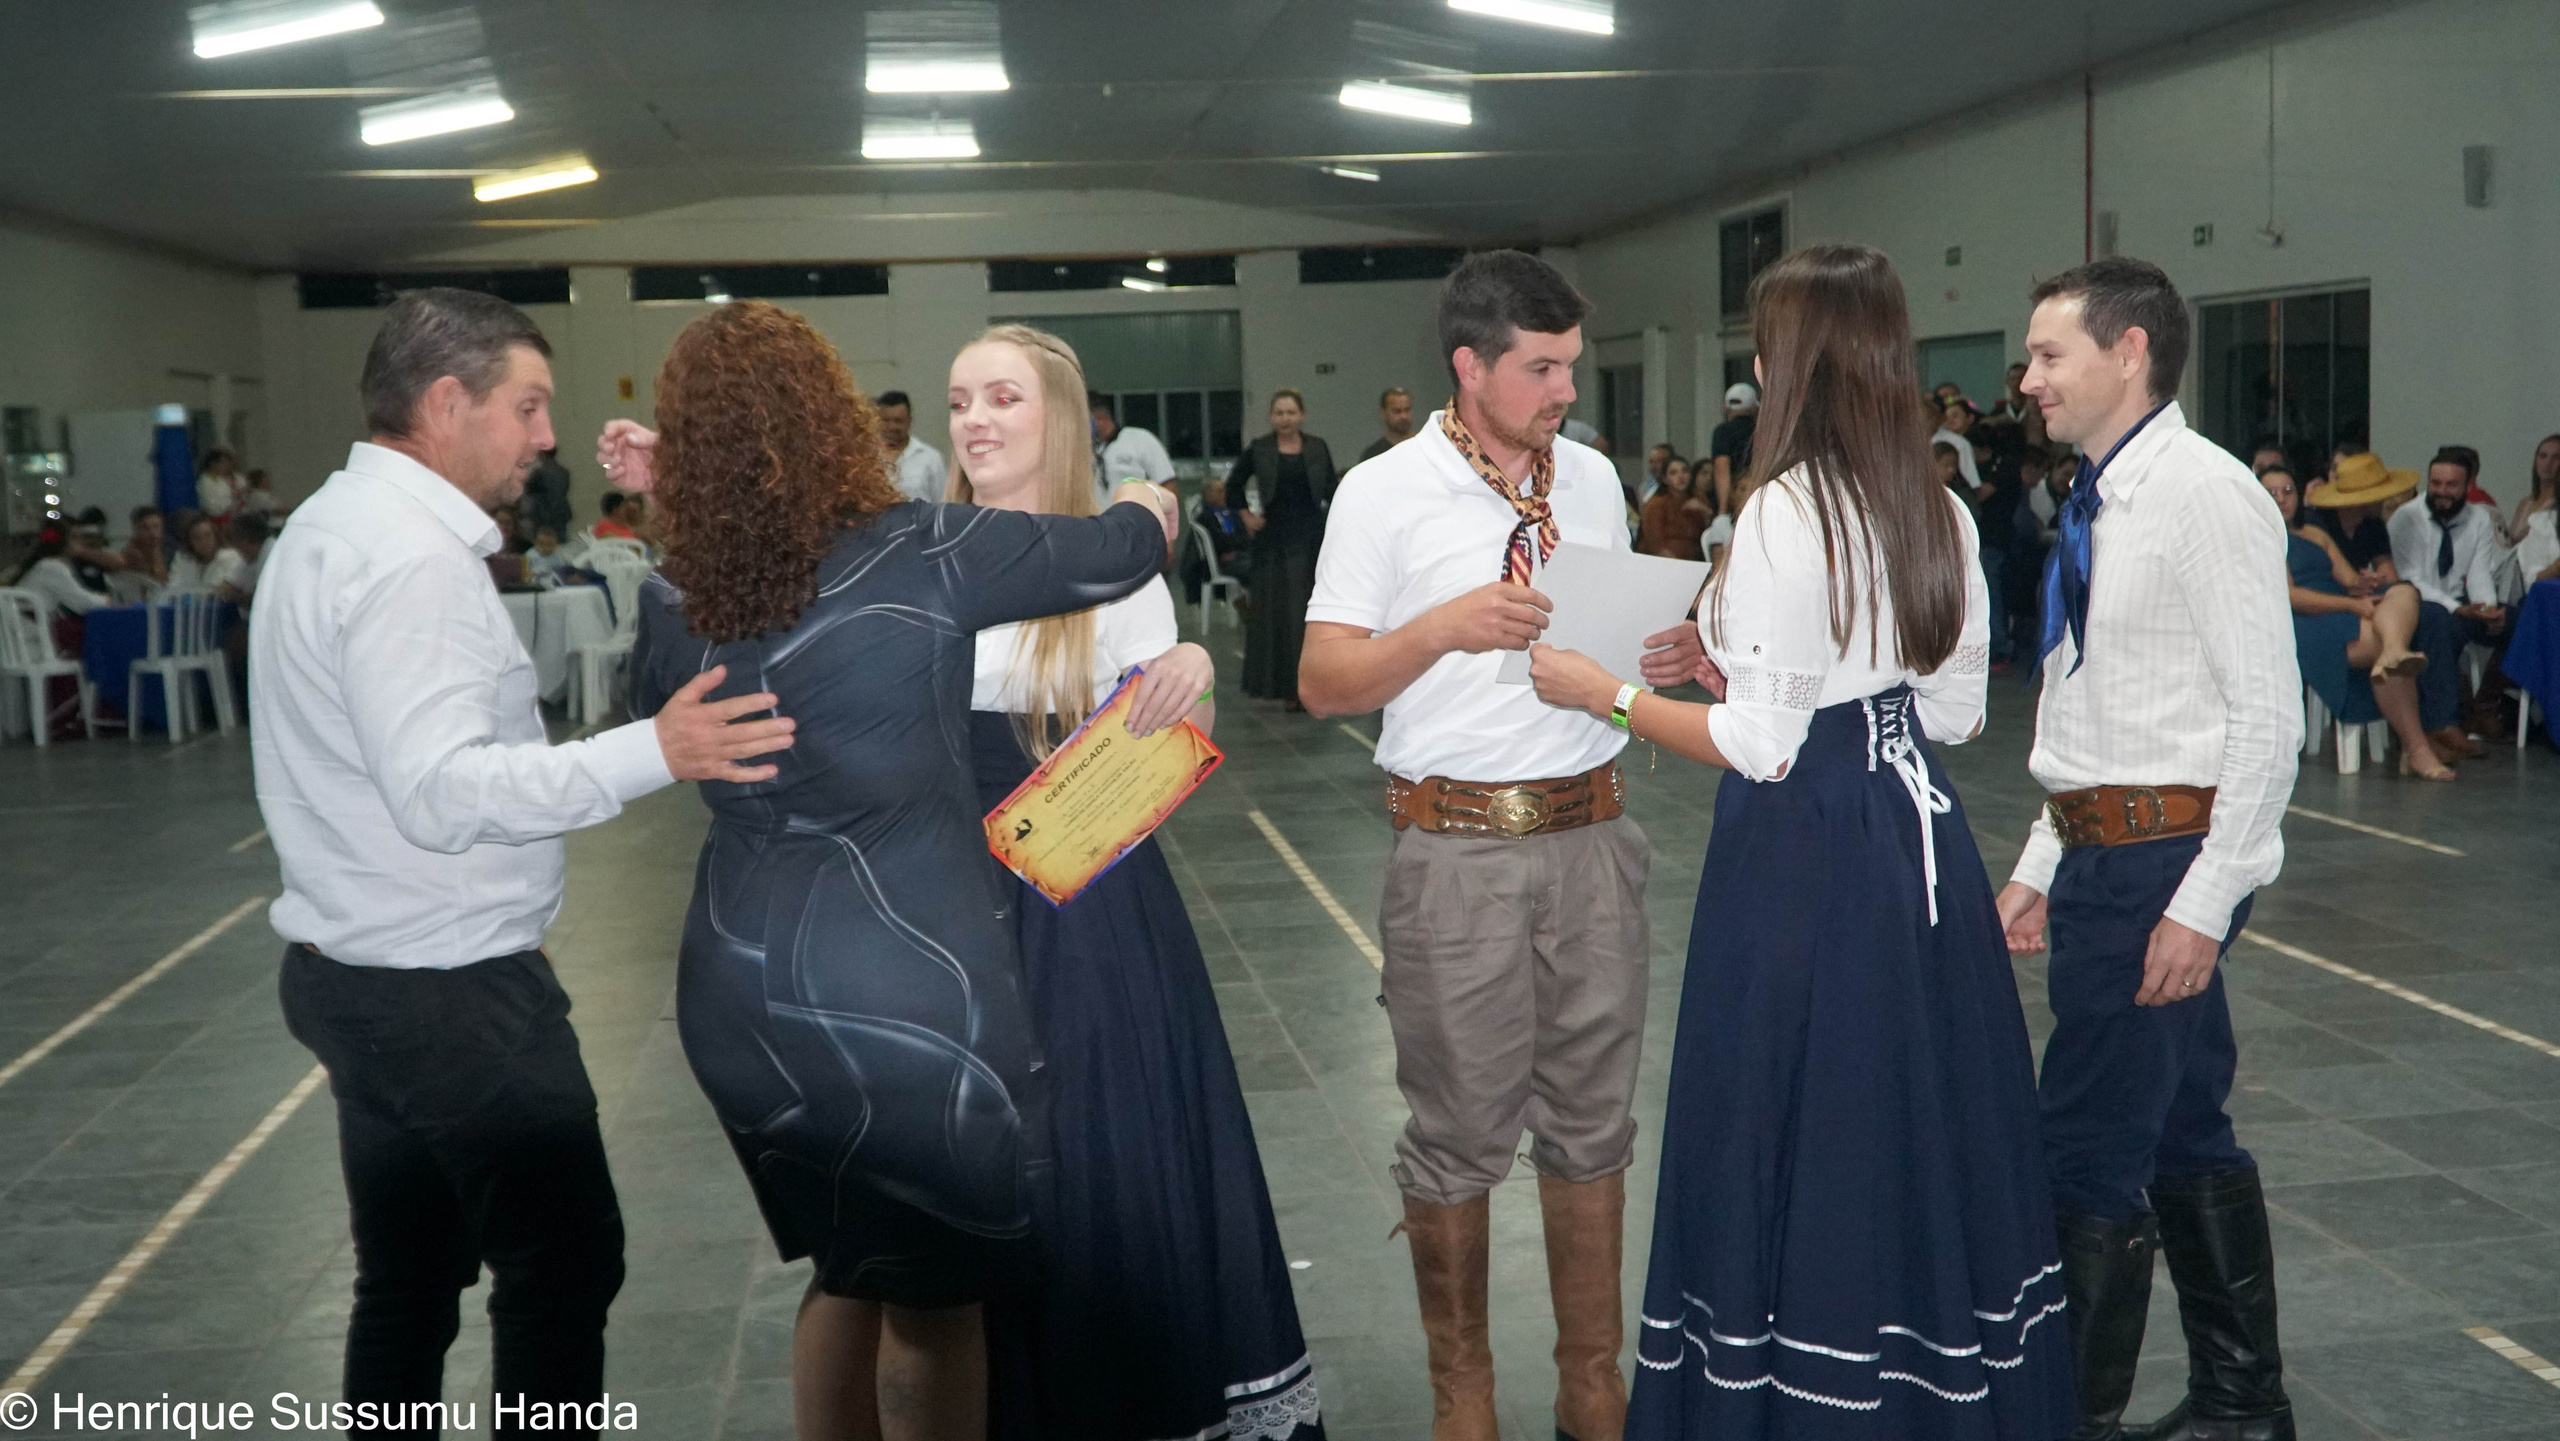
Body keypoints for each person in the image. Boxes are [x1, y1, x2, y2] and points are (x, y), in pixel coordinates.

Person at [1527, 241, 2074, 1441]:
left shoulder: (1783, 507)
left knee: (1798, 1115)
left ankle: (1797, 1397)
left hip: (1805, 850)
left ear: (1796, 361)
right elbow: (1952, 712)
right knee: (1912, 1117)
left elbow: (1766, 746)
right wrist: (1730, 668)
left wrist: (1600, 693)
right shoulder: (1933, 502)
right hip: (1911, 831)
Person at [610, 305, 1178, 1440]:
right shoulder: (925, 548)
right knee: (934, 1305)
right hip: (903, 986)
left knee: (846, 1268)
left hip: (743, 989)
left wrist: (683, 485)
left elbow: (666, 692)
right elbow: (1118, 549)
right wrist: (1153, 502)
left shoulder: (673, 603)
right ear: (834, 420)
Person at [249, 288, 795, 1438]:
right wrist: (655, 748)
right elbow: (445, 793)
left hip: (358, 974)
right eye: (529, 405)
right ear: (447, 404)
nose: (548, 436)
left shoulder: (332, 523)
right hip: (450, 998)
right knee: (562, 1270)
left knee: (407, 1277)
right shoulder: (411, 564)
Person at [1298, 249, 1704, 1441]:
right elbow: (1323, 681)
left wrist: (1661, 657)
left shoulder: (1586, 479)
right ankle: (1461, 1393)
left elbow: (1620, 650)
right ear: (1468, 365)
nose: (1563, 390)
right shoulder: (1382, 492)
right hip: (1457, 853)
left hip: (1592, 837)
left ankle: (1591, 1379)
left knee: (1594, 1119)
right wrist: (1441, 628)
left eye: (1570, 366)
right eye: (1539, 368)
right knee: (1459, 1130)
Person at [928, 325, 1326, 1441]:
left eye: (1003, 396)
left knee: (1104, 1160)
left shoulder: (1107, 562)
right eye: (960, 401)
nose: (976, 420)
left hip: (1089, 914)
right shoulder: (918, 551)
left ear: (1058, 417)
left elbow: (1170, 748)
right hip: (945, 914)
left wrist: (1190, 677)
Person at [1992, 258, 2303, 1441]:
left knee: (2076, 1148)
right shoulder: (2097, 495)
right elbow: (2091, 707)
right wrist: (2038, 860)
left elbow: (2266, 718)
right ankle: (2241, 1403)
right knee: (2180, 1125)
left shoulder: (2202, 494)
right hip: (2106, 853)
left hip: (2165, 863)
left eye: (2047, 355)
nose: (2027, 380)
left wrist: (2205, 898)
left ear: (2129, 353)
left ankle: (2062, 1420)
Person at [2263, 465, 2449, 779]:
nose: (2282, 499)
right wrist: (2351, 603)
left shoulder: (2315, 534)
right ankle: (2417, 748)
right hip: (2306, 621)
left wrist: (2364, 585)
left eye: (2288, 491)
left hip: (2343, 604)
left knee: (2403, 591)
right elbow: (2290, 596)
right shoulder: (2262, 538)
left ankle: (2393, 652)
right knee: (2390, 646)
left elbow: (2348, 578)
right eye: (2272, 493)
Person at [2389, 446, 2507, 758]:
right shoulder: (2407, 518)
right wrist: (2458, 608)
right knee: (2439, 621)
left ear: (2468, 486)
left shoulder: (2479, 518)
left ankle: (2485, 706)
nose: (2441, 491)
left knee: (2519, 621)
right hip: (2417, 605)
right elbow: (2409, 578)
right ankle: (2444, 721)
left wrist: (2487, 607)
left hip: (2460, 605)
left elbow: (2480, 571)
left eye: (2451, 485)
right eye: (2436, 483)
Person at [1234, 388, 1339, 709]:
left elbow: (1333, 491)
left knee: (1308, 614)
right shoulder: (1259, 448)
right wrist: (1247, 517)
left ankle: (1310, 685)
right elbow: (1233, 486)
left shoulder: (1318, 447)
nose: (1285, 418)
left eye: (1290, 413)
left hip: (1311, 540)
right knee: (1277, 615)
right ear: (1270, 417)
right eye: (1279, 413)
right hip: (1273, 543)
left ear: (1302, 416)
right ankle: (1279, 686)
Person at [4, 522, 110, 617]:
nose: (82, 542)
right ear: (66, 543)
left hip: (25, 627)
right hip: (32, 631)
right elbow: (82, 604)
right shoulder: (53, 567)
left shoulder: (44, 564)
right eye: (76, 537)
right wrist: (107, 600)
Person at [1092, 396, 1178, 506]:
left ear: (1101, 419)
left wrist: (1157, 516)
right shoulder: (1086, 447)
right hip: (1099, 519)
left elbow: (1168, 484)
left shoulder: (1139, 439)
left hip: (1135, 518)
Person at [876, 388, 950, 503]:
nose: (891, 427)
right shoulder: (867, 457)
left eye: (898, 421)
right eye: (885, 421)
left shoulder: (931, 459)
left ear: (909, 421)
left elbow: (943, 502)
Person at [2508, 433, 2560, 583]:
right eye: (2543, 456)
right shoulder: (2526, 503)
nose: (2547, 463)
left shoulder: (2555, 508)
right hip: (2514, 578)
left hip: (2545, 577)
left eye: (2556, 458)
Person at [1635, 454, 1708, 559]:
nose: (1681, 476)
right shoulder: (1655, 505)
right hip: (1662, 564)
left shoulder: (1699, 501)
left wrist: (1705, 512)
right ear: (1665, 479)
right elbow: (1655, 545)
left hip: (1695, 564)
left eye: (1685, 471)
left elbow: (1707, 540)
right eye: (1673, 473)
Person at [1708, 382, 1757, 514]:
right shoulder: (1764, 430)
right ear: (1755, 408)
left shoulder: (1723, 432)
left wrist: (1722, 510)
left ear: (1725, 408)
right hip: (1761, 492)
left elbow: (1722, 468)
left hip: (1735, 500)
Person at [168, 511, 244, 592]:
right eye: (197, 538)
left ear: (215, 535)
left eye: (207, 535)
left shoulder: (232, 557)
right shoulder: (183, 560)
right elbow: (172, 589)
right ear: (190, 541)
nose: (204, 542)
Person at [520, 447, 573, 540]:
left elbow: (527, 490)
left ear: (542, 454)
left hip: (543, 515)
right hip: (561, 514)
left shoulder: (539, 473)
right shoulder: (563, 472)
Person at [1933, 399, 1984, 492]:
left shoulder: (1962, 443)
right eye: (1947, 417)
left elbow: (1972, 482)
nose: (1950, 420)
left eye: (1955, 416)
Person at [1362, 385, 1419, 463]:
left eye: (1407, 410)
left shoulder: (1424, 447)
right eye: (1397, 411)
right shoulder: (1373, 455)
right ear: (1383, 413)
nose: (1403, 416)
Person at [123, 505, 169, 585]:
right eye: (145, 528)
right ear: (136, 531)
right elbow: (158, 583)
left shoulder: (169, 549)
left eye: (156, 526)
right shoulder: (132, 554)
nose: (152, 532)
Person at [197, 448, 242, 520]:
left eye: (227, 463)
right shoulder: (204, 482)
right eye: (223, 463)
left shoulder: (221, 480)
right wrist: (231, 502)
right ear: (212, 463)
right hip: (216, 520)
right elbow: (212, 509)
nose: (226, 466)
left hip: (229, 517)